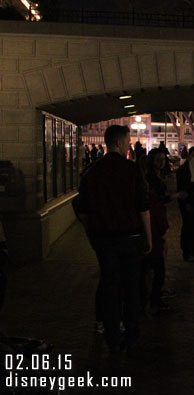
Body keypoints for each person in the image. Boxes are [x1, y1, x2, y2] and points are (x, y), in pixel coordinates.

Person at [77, 125, 152, 353]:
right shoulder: (131, 170)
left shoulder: (91, 172)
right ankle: (132, 333)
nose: (130, 144)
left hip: (104, 238)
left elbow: (83, 210)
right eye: (128, 141)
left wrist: (92, 236)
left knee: (110, 285)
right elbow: (142, 207)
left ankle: (112, 336)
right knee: (131, 287)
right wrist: (148, 237)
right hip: (129, 237)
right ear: (119, 143)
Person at [141, 148, 185, 310]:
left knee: (151, 261)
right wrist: (173, 196)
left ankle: (148, 295)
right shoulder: (151, 179)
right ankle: (154, 298)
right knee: (156, 261)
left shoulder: (155, 177)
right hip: (153, 219)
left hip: (156, 218)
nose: (161, 163)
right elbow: (156, 200)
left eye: (163, 159)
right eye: (158, 160)